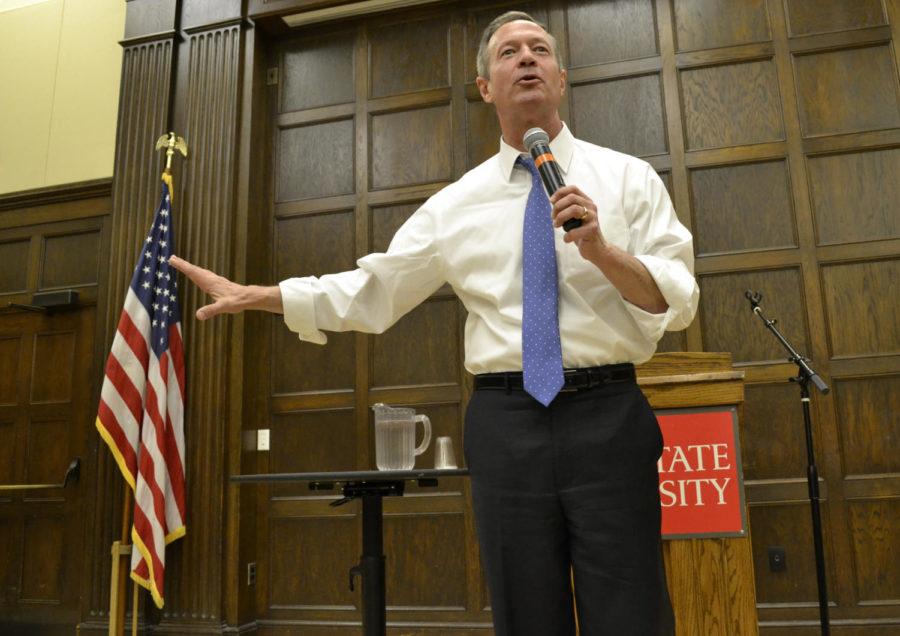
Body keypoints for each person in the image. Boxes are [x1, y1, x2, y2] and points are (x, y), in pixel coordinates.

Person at [170, 11, 697, 635]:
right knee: (525, 611)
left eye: (539, 49)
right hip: (508, 422)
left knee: (631, 608)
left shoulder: (627, 178)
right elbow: (375, 289)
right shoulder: (456, 205)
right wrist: (264, 296)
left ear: (561, 76)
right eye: (508, 52)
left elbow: (677, 300)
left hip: (608, 416)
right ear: (485, 85)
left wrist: (602, 252)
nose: (525, 58)